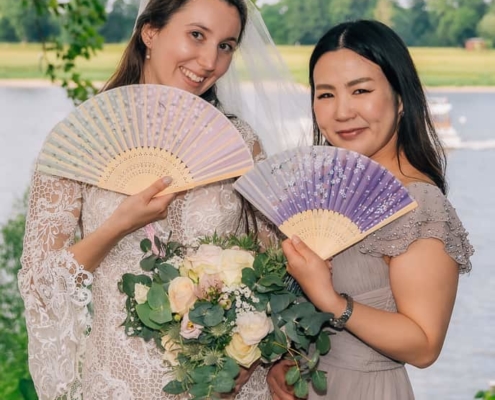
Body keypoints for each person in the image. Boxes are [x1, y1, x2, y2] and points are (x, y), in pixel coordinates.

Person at [18, 0, 308, 399]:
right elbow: (40, 282)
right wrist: (118, 226)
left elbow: (277, 269)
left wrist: (254, 357)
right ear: (150, 32)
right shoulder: (79, 141)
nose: (209, 61)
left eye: (226, 46)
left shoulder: (239, 143)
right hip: (120, 381)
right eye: (196, 35)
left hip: (225, 385)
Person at [266, 20, 474, 400]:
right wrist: (287, 359)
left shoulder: (419, 206)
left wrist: (331, 301)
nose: (342, 112)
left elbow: (424, 344)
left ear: (400, 98)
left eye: (360, 90)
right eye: (325, 95)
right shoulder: (320, 191)